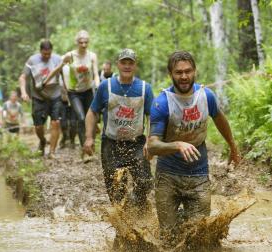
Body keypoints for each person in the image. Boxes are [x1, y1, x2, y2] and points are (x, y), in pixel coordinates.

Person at [147, 51, 240, 238]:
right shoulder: (162, 103)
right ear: (170, 74)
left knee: (198, 234)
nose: (184, 77)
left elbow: (220, 119)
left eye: (188, 71)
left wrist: (233, 146)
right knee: (168, 237)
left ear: (195, 71)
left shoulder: (206, 96)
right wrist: (177, 145)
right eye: (178, 72)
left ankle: (185, 222)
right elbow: (152, 146)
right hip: (168, 175)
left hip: (198, 173)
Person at [83, 48, 153, 206]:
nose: (127, 66)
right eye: (124, 62)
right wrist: (89, 138)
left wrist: (150, 140)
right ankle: (123, 223)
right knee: (115, 189)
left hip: (137, 143)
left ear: (135, 66)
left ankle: (136, 207)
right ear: (117, 64)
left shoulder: (144, 88)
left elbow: (151, 117)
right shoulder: (105, 86)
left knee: (145, 182)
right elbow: (92, 112)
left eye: (130, 63)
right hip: (111, 143)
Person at [45, 30, 99, 152]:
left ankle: (91, 142)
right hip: (74, 92)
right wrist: (46, 81)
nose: (84, 45)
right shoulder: (70, 56)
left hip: (88, 90)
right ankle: (84, 148)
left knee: (92, 118)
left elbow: (95, 73)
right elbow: (57, 68)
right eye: (81, 42)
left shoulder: (92, 56)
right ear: (77, 42)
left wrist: (98, 86)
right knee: (81, 118)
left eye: (86, 42)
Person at [19, 39, 63, 158]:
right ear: (40, 51)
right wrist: (24, 92)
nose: (47, 56)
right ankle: (43, 141)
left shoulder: (58, 59)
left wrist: (67, 92)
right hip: (38, 97)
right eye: (44, 54)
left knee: (56, 122)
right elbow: (23, 77)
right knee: (38, 126)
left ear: (51, 51)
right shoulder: (32, 60)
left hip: (55, 96)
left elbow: (65, 74)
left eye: (49, 53)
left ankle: (52, 152)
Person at [59, 65, 77, 149]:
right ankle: (64, 138)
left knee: (73, 123)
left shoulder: (73, 78)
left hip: (73, 102)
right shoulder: (58, 79)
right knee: (63, 123)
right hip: (62, 103)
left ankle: (72, 140)